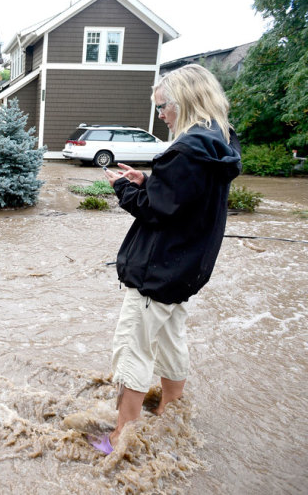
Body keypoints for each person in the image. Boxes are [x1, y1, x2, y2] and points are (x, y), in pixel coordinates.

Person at [91, 64, 242, 455]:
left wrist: (124, 187)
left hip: (157, 270)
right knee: (172, 340)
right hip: (187, 270)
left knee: (133, 347)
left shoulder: (186, 150)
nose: (160, 116)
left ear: (184, 103)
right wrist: (150, 180)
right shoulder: (219, 142)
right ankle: (171, 413)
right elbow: (182, 199)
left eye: (162, 108)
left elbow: (155, 211)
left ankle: (121, 438)